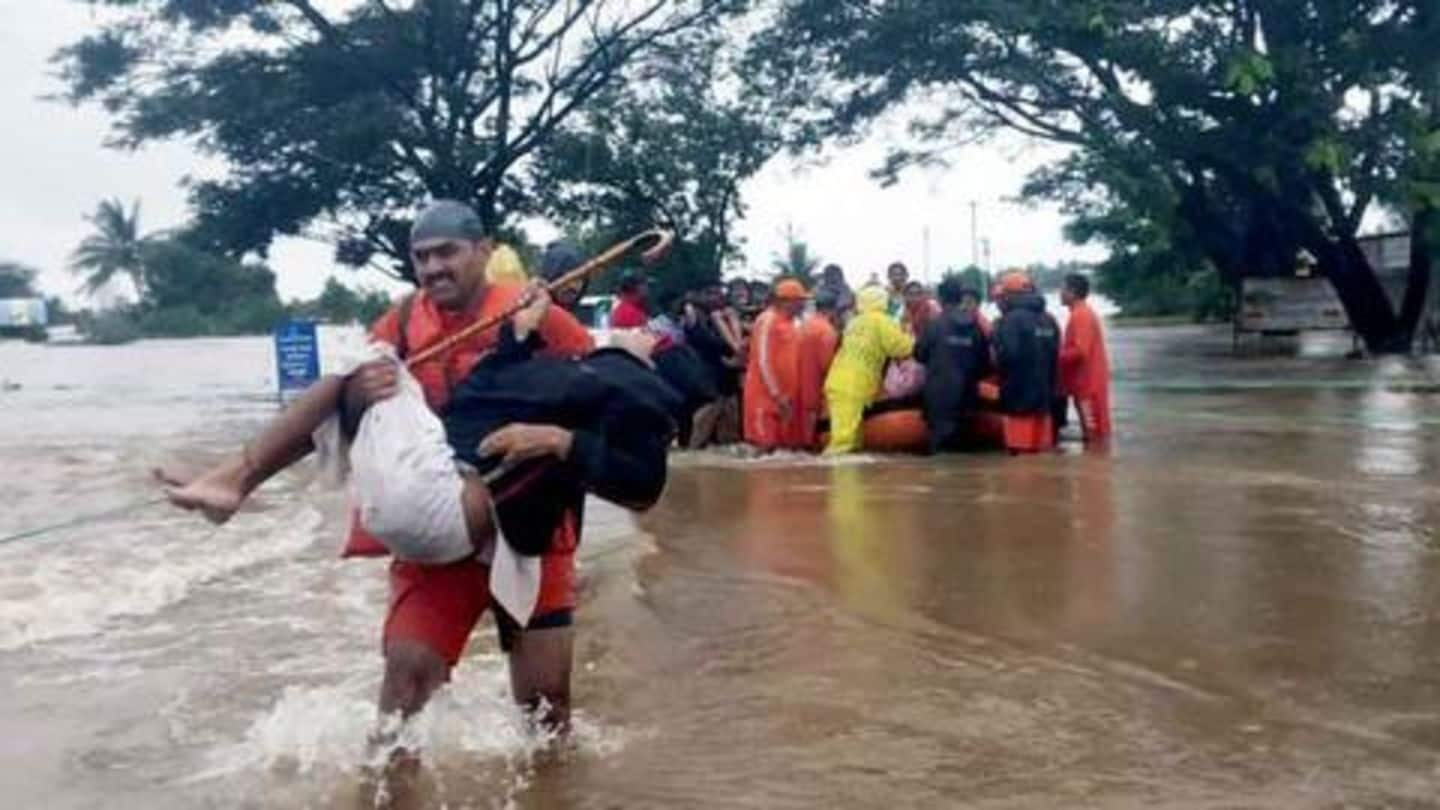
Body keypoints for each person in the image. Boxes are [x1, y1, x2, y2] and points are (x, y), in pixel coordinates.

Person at [324, 203, 602, 736]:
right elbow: (344, 417)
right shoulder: (400, 322)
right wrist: (358, 393)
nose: (432, 269)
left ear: (484, 250)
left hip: (531, 527)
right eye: (421, 257)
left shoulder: (544, 316)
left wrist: (553, 441)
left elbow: (602, 412)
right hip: (437, 528)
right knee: (402, 696)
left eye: (446, 252)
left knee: (548, 714)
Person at [611, 272, 720, 448]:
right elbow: (639, 346)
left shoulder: (632, 310)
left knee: (690, 404)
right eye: (645, 286)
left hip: (668, 357)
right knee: (705, 399)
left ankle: (687, 446)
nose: (647, 290)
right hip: (664, 357)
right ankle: (690, 449)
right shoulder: (625, 312)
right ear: (637, 288)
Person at [823, 286, 915, 454]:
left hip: (840, 382)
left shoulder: (854, 323)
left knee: (853, 441)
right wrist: (915, 339)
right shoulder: (882, 321)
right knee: (843, 444)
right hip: (853, 386)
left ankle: (850, 479)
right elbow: (899, 348)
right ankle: (835, 477)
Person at [915, 278, 992, 453]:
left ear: (941, 299)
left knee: (940, 455)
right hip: (967, 398)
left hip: (938, 398)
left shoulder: (934, 326)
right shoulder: (975, 327)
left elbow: (919, 354)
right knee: (964, 452)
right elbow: (984, 364)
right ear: (960, 298)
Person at [991, 271, 1060, 454]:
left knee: (1019, 457)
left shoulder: (1011, 320)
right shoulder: (1048, 320)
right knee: (1042, 455)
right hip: (1044, 399)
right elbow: (1055, 356)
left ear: (1009, 294)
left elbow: (1007, 357)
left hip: (1018, 400)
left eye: (1003, 295)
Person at [744, 279, 809, 450]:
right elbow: (763, 360)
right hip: (764, 397)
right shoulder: (768, 320)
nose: (803, 306)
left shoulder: (792, 324)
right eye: (800, 301)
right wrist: (777, 394)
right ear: (786, 301)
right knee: (764, 449)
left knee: (780, 454)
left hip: (785, 399)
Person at [1059, 273, 1112, 444]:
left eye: (1063, 289)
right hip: (1087, 382)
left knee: (1094, 435)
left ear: (1072, 292)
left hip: (1088, 385)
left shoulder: (1081, 315)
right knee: (1095, 432)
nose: (1060, 293)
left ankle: (1096, 468)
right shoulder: (1081, 313)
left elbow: (1081, 351)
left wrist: (1053, 355)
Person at [687, 283, 743, 445]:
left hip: (728, 377)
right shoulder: (696, 316)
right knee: (705, 419)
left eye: (719, 293)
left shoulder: (728, 316)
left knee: (730, 425)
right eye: (711, 293)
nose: (716, 297)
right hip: (708, 375)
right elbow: (706, 342)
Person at [797, 288, 842, 449]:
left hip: (797, 390)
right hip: (815, 393)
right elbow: (828, 366)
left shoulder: (804, 326)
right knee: (813, 446)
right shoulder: (827, 331)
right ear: (833, 309)